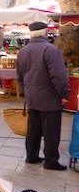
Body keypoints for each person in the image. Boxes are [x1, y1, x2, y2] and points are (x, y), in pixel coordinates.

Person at [16, 21, 70, 170]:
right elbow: (59, 76)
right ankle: (51, 160)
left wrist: (26, 92)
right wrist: (64, 94)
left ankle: (31, 155)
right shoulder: (51, 51)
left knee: (34, 129)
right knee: (51, 131)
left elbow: (19, 77)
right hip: (49, 98)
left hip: (32, 97)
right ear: (46, 33)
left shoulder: (24, 51)